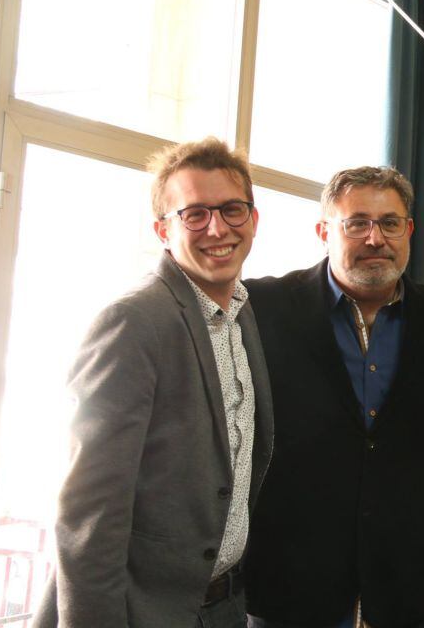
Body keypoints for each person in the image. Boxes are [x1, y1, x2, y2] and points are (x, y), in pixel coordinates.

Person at [33, 138, 273, 627]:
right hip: (142, 611)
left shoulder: (244, 315)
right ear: (164, 230)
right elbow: (88, 512)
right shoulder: (134, 322)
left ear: (253, 219)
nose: (217, 228)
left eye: (231, 210)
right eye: (194, 215)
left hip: (224, 607)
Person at [242, 167, 424, 628]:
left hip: (403, 588)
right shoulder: (262, 307)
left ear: (409, 231)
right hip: (288, 585)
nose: (375, 238)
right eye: (356, 223)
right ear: (324, 232)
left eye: (390, 222)